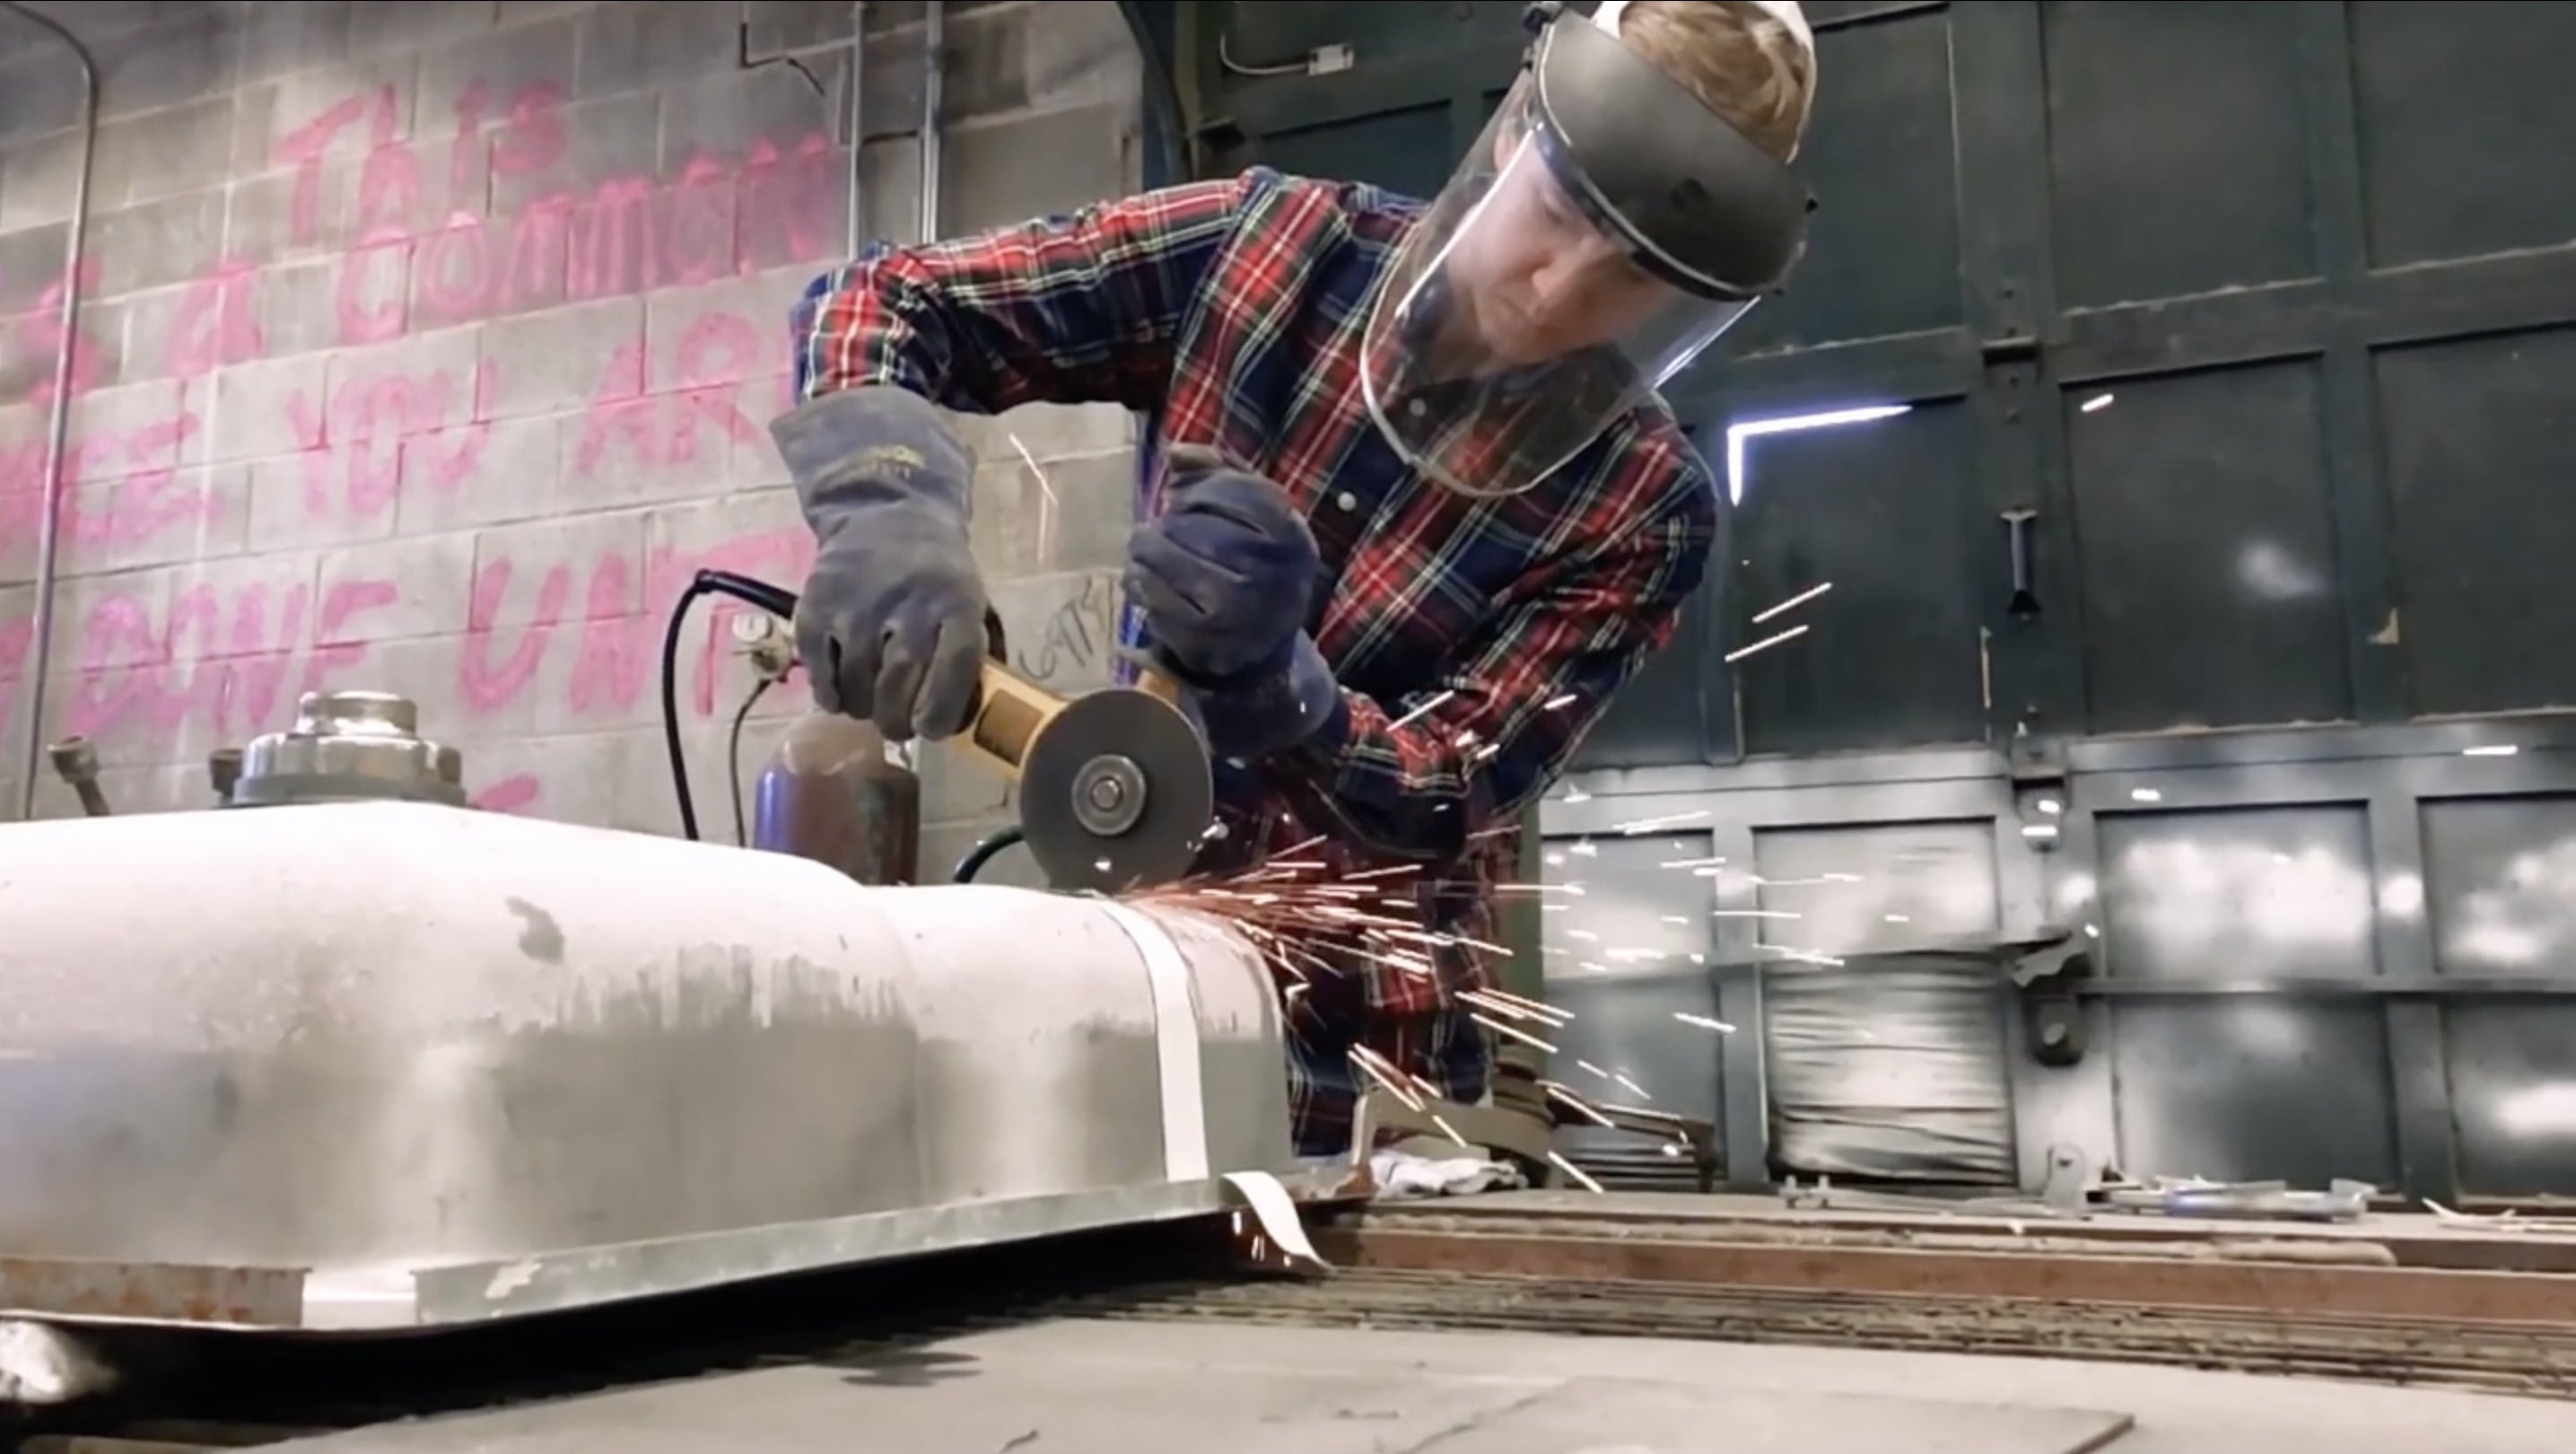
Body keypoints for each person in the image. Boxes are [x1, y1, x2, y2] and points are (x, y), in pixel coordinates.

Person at [773, 0, 1821, 1157]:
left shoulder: (1644, 504)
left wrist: (1287, 694)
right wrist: (888, 506)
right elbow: (890, 300)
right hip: (1133, 986)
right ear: (1517, 132)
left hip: (1374, 1081)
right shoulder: (1271, 250)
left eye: (1627, 274)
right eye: (1561, 210)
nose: (1556, 287)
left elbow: (1458, 786)